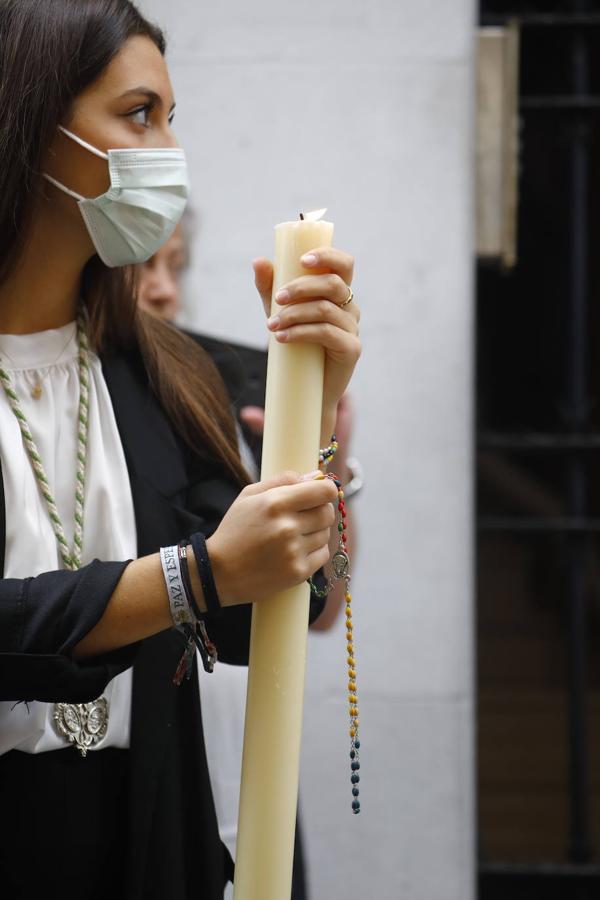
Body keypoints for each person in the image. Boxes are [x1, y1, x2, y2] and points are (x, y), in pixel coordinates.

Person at [0, 3, 361, 900]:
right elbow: (209, 579)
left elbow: (276, 605)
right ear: (30, 121)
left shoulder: (163, 367)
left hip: (144, 835)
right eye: (137, 115)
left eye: (171, 118)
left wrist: (312, 419)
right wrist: (189, 579)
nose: (166, 150)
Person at [137, 226, 358, 900]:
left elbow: (321, 608)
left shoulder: (232, 381)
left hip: (242, 723)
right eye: (145, 263)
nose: (165, 290)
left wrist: (329, 453)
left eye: (176, 264)